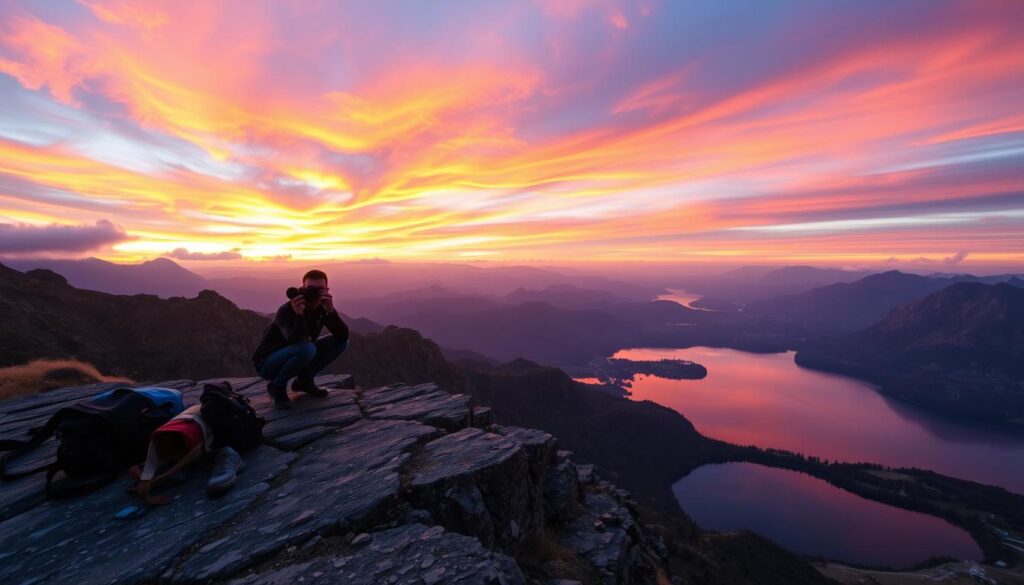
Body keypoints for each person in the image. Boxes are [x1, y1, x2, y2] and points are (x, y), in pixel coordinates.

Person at [251, 269, 350, 409]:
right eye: (310, 288)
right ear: (302, 288)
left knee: (341, 343)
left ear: (327, 290)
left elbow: (342, 336)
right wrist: (299, 314)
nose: (314, 292)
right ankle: (277, 386)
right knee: (308, 348)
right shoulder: (287, 310)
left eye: (320, 289)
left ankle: (304, 381)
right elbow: (295, 340)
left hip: (298, 352)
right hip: (267, 363)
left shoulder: (323, 309)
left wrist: (331, 312)